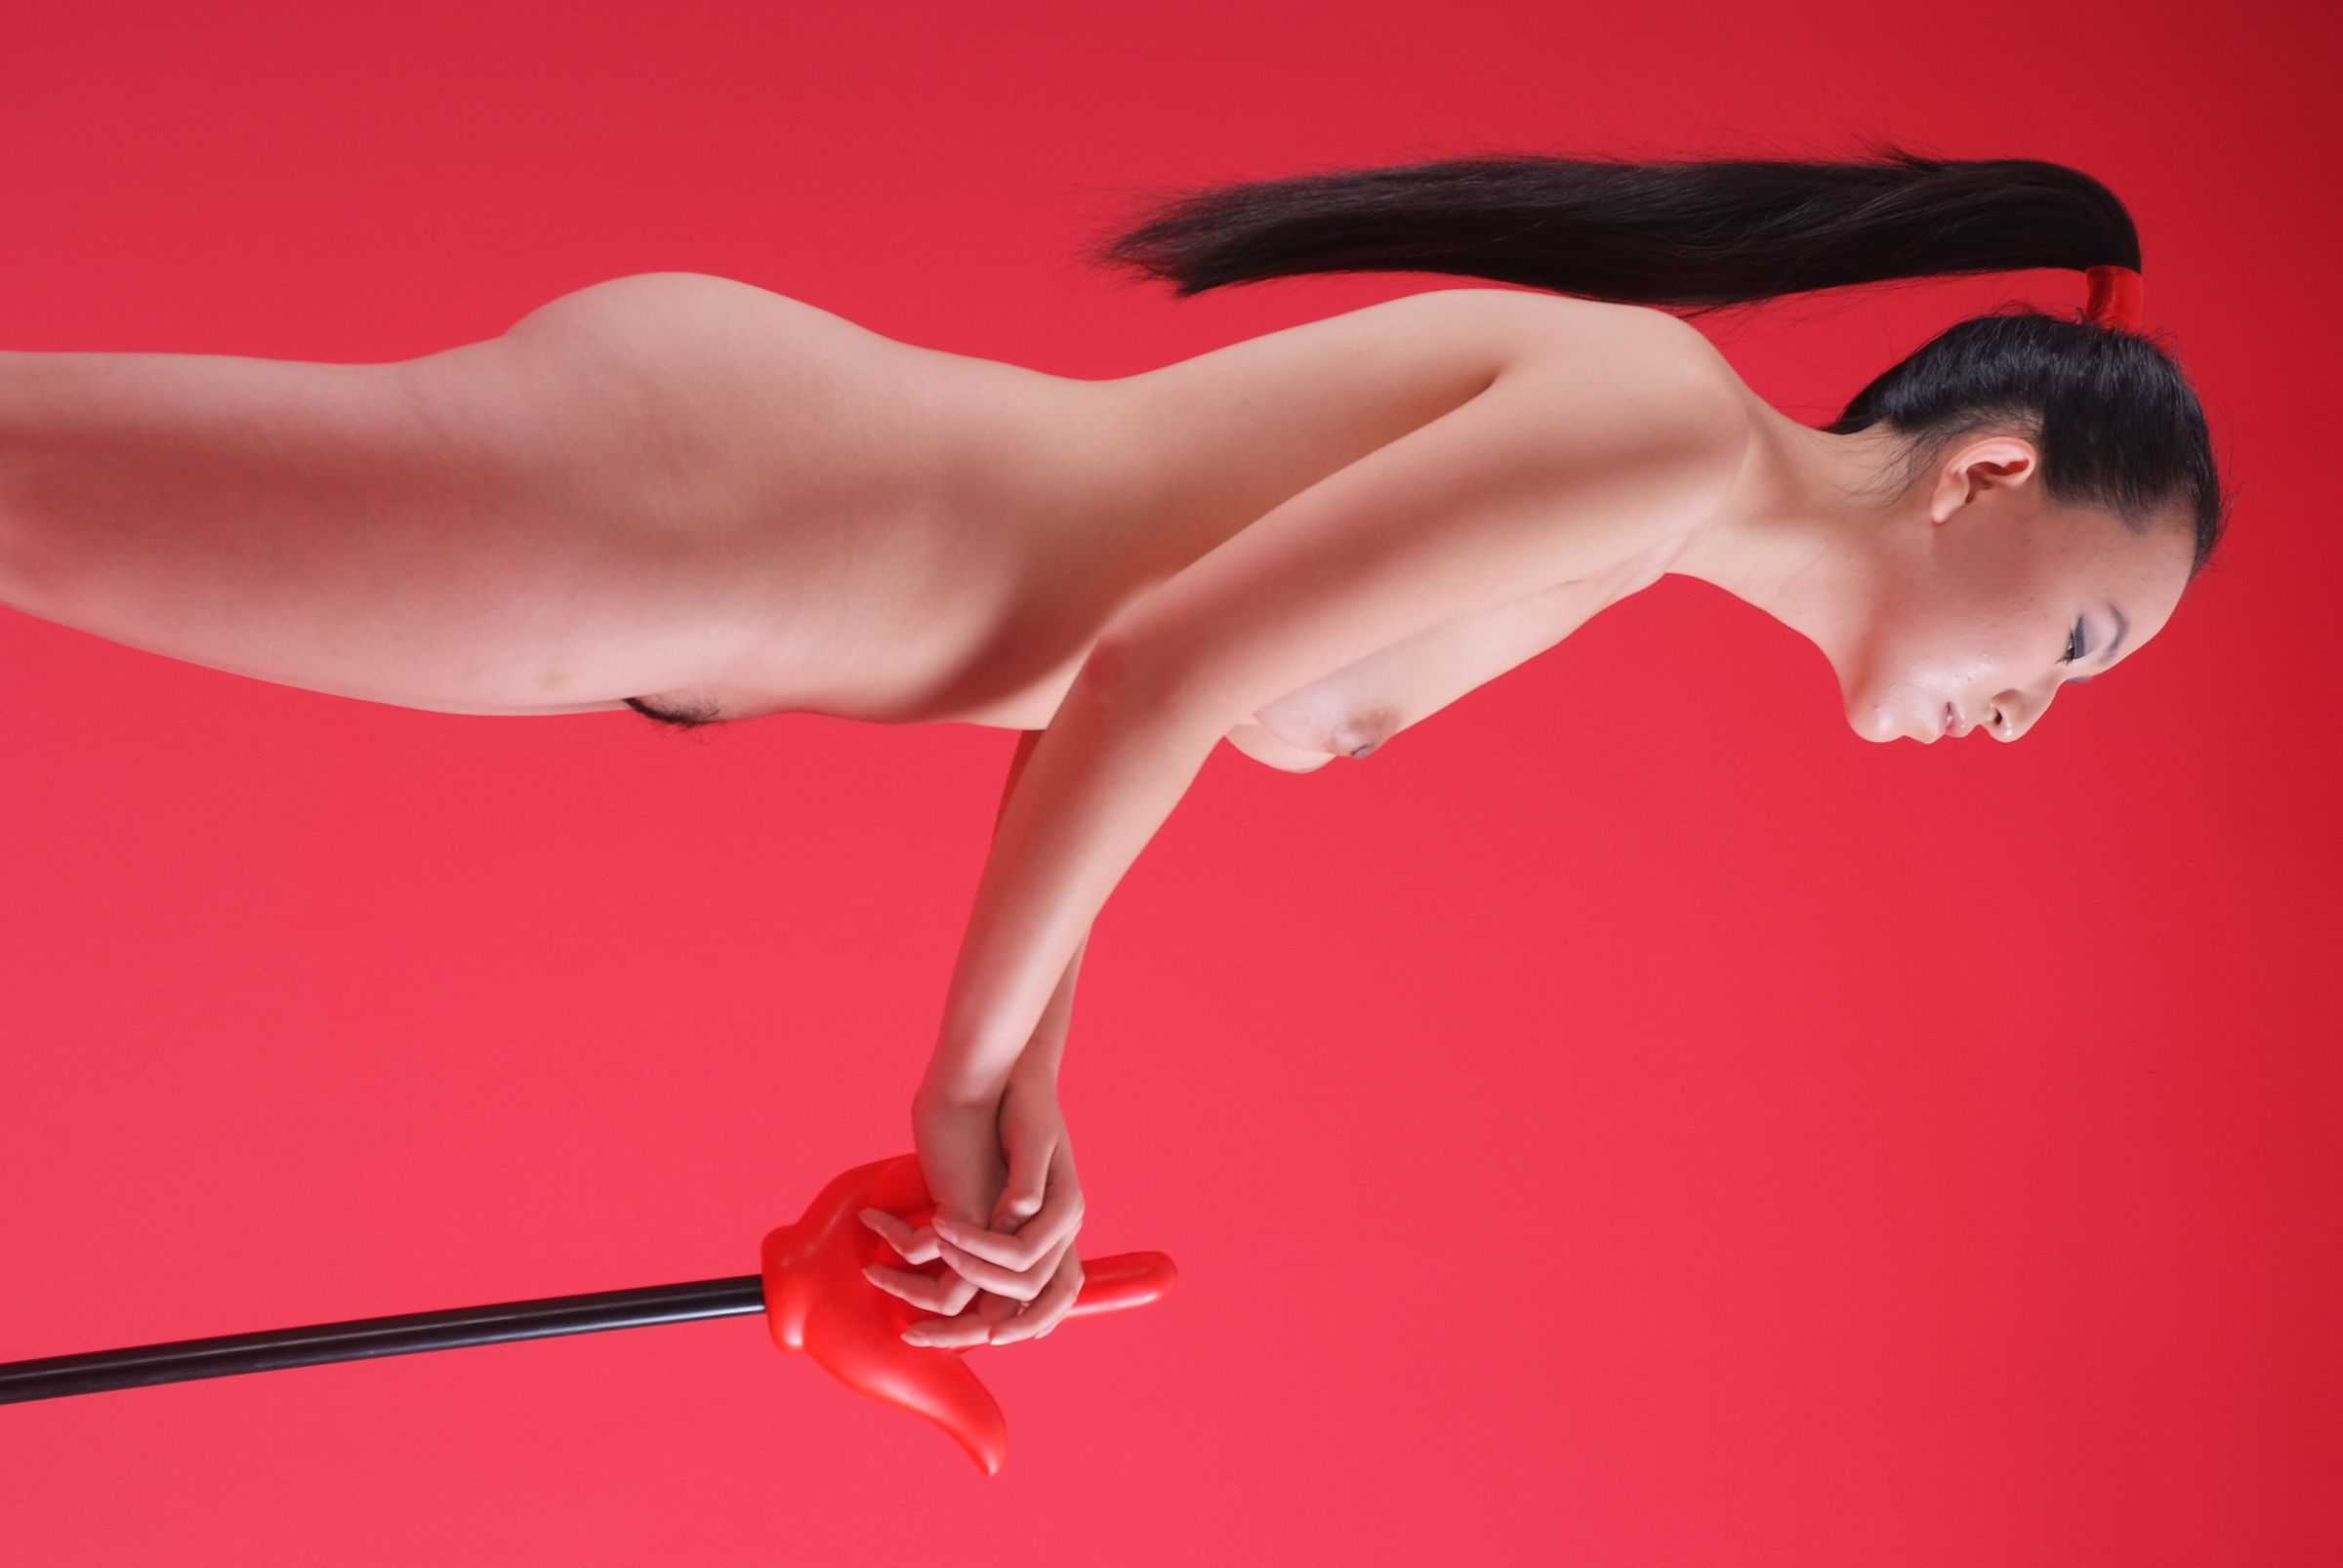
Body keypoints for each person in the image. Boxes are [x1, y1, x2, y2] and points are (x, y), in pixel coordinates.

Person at [0, 141, 2230, 1351]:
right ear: (1990, 475)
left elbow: (1111, 669)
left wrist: (1030, 1079)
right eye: (2079, 638)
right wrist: (963, 1081)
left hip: (726, 554)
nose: (2032, 710)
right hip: (706, 510)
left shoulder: (1638, 519)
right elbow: (1155, 668)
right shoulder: (1655, 437)